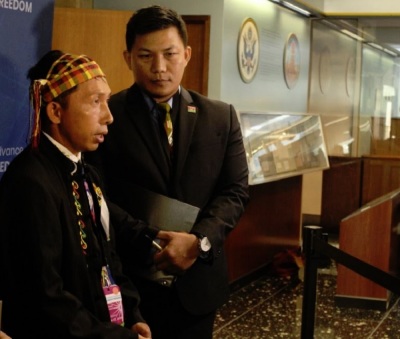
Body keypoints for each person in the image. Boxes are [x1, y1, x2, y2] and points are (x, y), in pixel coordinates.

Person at [86, 5, 249, 339]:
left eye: (170, 54)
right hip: (132, 283)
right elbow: (94, 193)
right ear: (128, 56)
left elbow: (235, 191)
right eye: (145, 56)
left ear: (187, 54)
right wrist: (150, 239)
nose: (159, 68)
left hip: (198, 285)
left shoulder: (220, 117)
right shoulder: (105, 116)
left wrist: (198, 242)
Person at [0, 50, 153, 339]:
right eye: (96, 102)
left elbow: (107, 257)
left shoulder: (87, 174)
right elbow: (43, 296)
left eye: (107, 101)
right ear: (56, 111)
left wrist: (132, 313)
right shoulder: (30, 182)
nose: (108, 116)